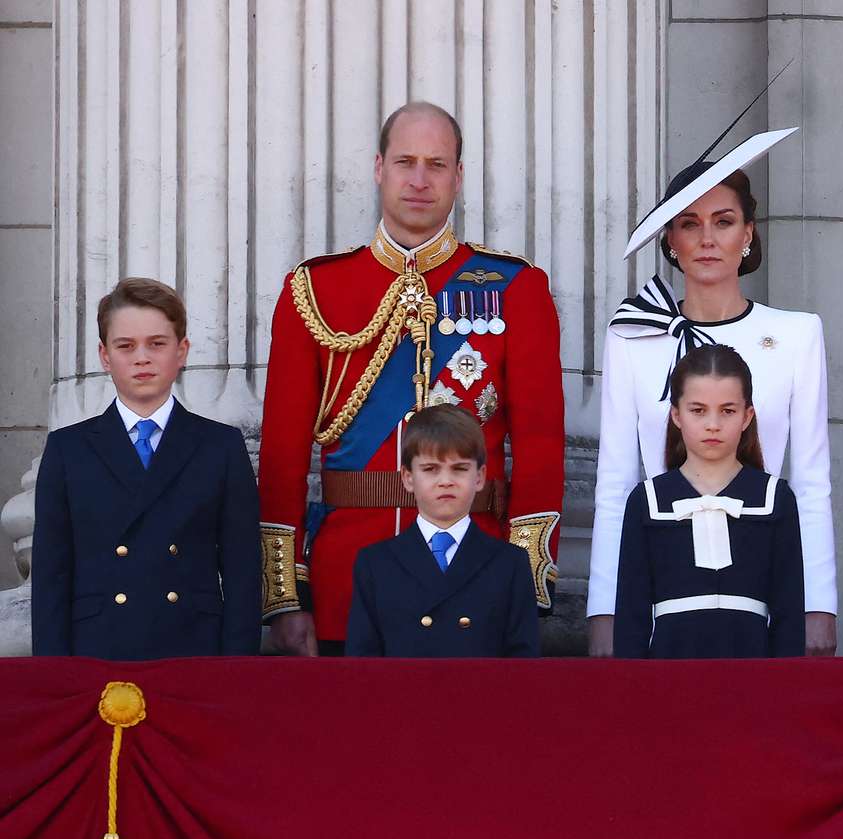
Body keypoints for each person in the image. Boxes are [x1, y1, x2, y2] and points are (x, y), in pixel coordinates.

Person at [257, 101, 564, 655]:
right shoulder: (314, 290)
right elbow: (282, 455)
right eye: (405, 162)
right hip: (345, 580)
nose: (420, 180)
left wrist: (525, 582)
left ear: (459, 175)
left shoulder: (517, 288)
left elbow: (541, 447)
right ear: (379, 169)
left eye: (437, 164)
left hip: (477, 578)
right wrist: (287, 595)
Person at [589, 121, 836, 657]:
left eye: (723, 222)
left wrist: (818, 603)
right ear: (670, 240)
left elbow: (813, 481)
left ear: (748, 233)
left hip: (762, 573)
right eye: (689, 224)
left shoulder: (797, 335)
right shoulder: (634, 335)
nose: (706, 239)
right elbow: (614, 482)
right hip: (660, 580)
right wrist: (606, 611)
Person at [31, 278, 261, 658]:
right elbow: (51, 577)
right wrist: (54, 675)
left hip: (193, 649)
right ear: (105, 356)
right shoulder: (67, 449)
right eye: (126, 346)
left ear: (182, 350)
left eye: (157, 343)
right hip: (97, 651)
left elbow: (242, 573)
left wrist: (236, 670)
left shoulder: (220, 447)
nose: (142, 358)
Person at [614, 345, 805, 659]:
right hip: (669, 675)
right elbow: (630, 617)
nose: (713, 424)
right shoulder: (647, 500)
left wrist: (782, 693)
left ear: (747, 416)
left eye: (727, 411)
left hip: (752, 675)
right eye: (698, 410)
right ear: (677, 414)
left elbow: (789, 616)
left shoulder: (775, 498)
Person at [345, 405, 539, 657]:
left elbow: (523, 668)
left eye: (459, 468)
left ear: (480, 477)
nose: (446, 480)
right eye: (430, 469)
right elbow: (362, 667)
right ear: (408, 478)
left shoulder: (510, 564)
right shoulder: (375, 564)